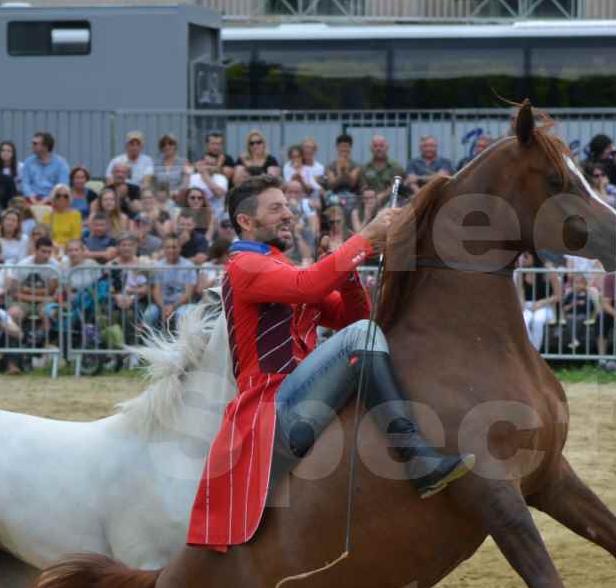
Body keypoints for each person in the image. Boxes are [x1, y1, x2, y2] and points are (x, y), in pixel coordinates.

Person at [188, 175, 472, 551]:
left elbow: (356, 316)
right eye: (276, 208)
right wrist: (364, 240)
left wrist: (347, 268)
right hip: (271, 408)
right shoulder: (244, 265)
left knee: (362, 334)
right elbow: (310, 288)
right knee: (360, 340)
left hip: (293, 398)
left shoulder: (279, 267)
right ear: (246, 222)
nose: (288, 214)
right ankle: (416, 458)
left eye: (287, 206)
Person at [18, 131, 70, 204]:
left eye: (35, 143)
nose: (32, 145)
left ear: (45, 146)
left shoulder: (61, 164)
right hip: (30, 200)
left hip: (53, 201)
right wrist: (32, 198)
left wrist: (45, 200)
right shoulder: (28, 162)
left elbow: (62, 186)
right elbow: (25, 183)